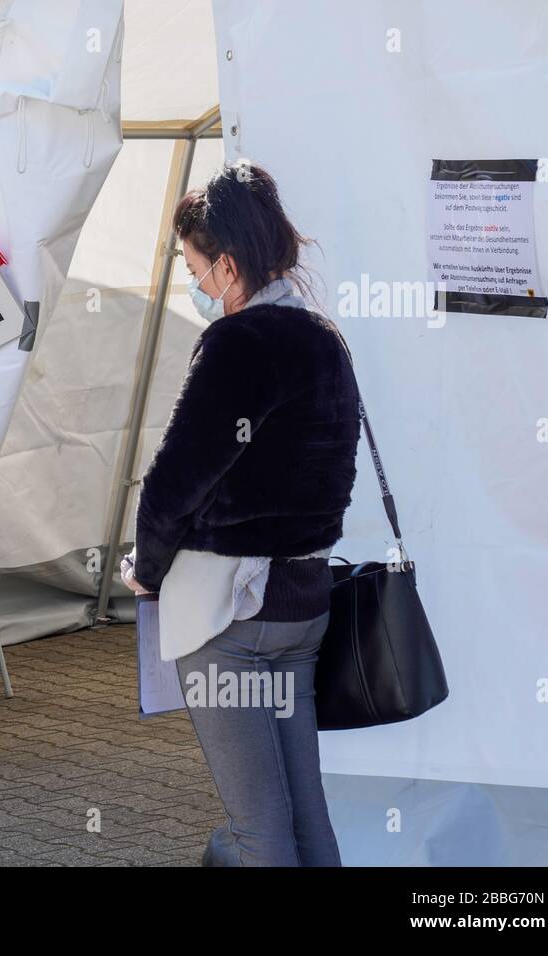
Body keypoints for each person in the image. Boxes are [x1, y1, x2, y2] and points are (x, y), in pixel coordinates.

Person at [121, 163, 361, 866]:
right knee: (306, 820)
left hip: (231, 614)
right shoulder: (326, 338)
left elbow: (175, 481)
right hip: (302, 606)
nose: (195, 285)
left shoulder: (239, 344)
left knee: (259, 832)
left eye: (196, 269)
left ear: (226, 265)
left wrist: (147, 570)